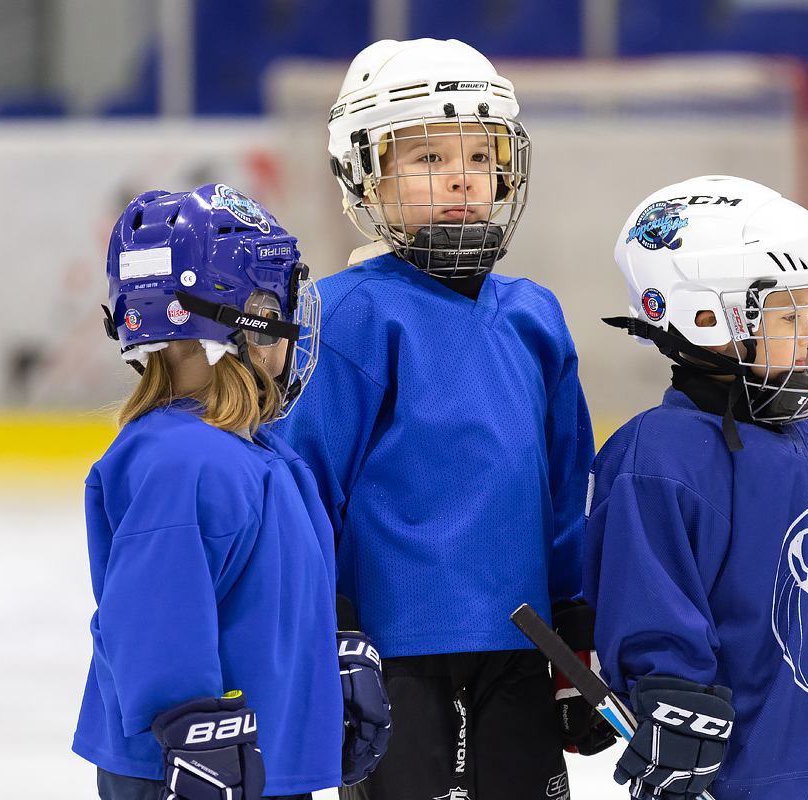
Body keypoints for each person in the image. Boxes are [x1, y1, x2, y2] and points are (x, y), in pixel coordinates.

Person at [273, 39, 595, 800]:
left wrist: (577, 627)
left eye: (480, 158)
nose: (460, 176)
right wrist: (335, 629)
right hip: (394, 656)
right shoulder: (347, 316)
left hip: (523, 650)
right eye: (425, 158)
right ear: (365, 175)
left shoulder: (534, 318)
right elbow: (303, 489)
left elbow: (564, 491)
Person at [585, 174, 808, 800]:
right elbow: (651, 610)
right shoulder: (658, 456)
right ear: (705, 316)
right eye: (789, 312)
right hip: (732, 782)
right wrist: (668, 696)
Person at [73, 184, 390, 800]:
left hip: (255, 761)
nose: (289, 329)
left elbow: (262, 598)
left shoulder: (256, 452)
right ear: (218, 332)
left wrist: (325, 660)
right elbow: (155, 613)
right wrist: (191, 729)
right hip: (188, 770)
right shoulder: (183, 462)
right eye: (273, 305)